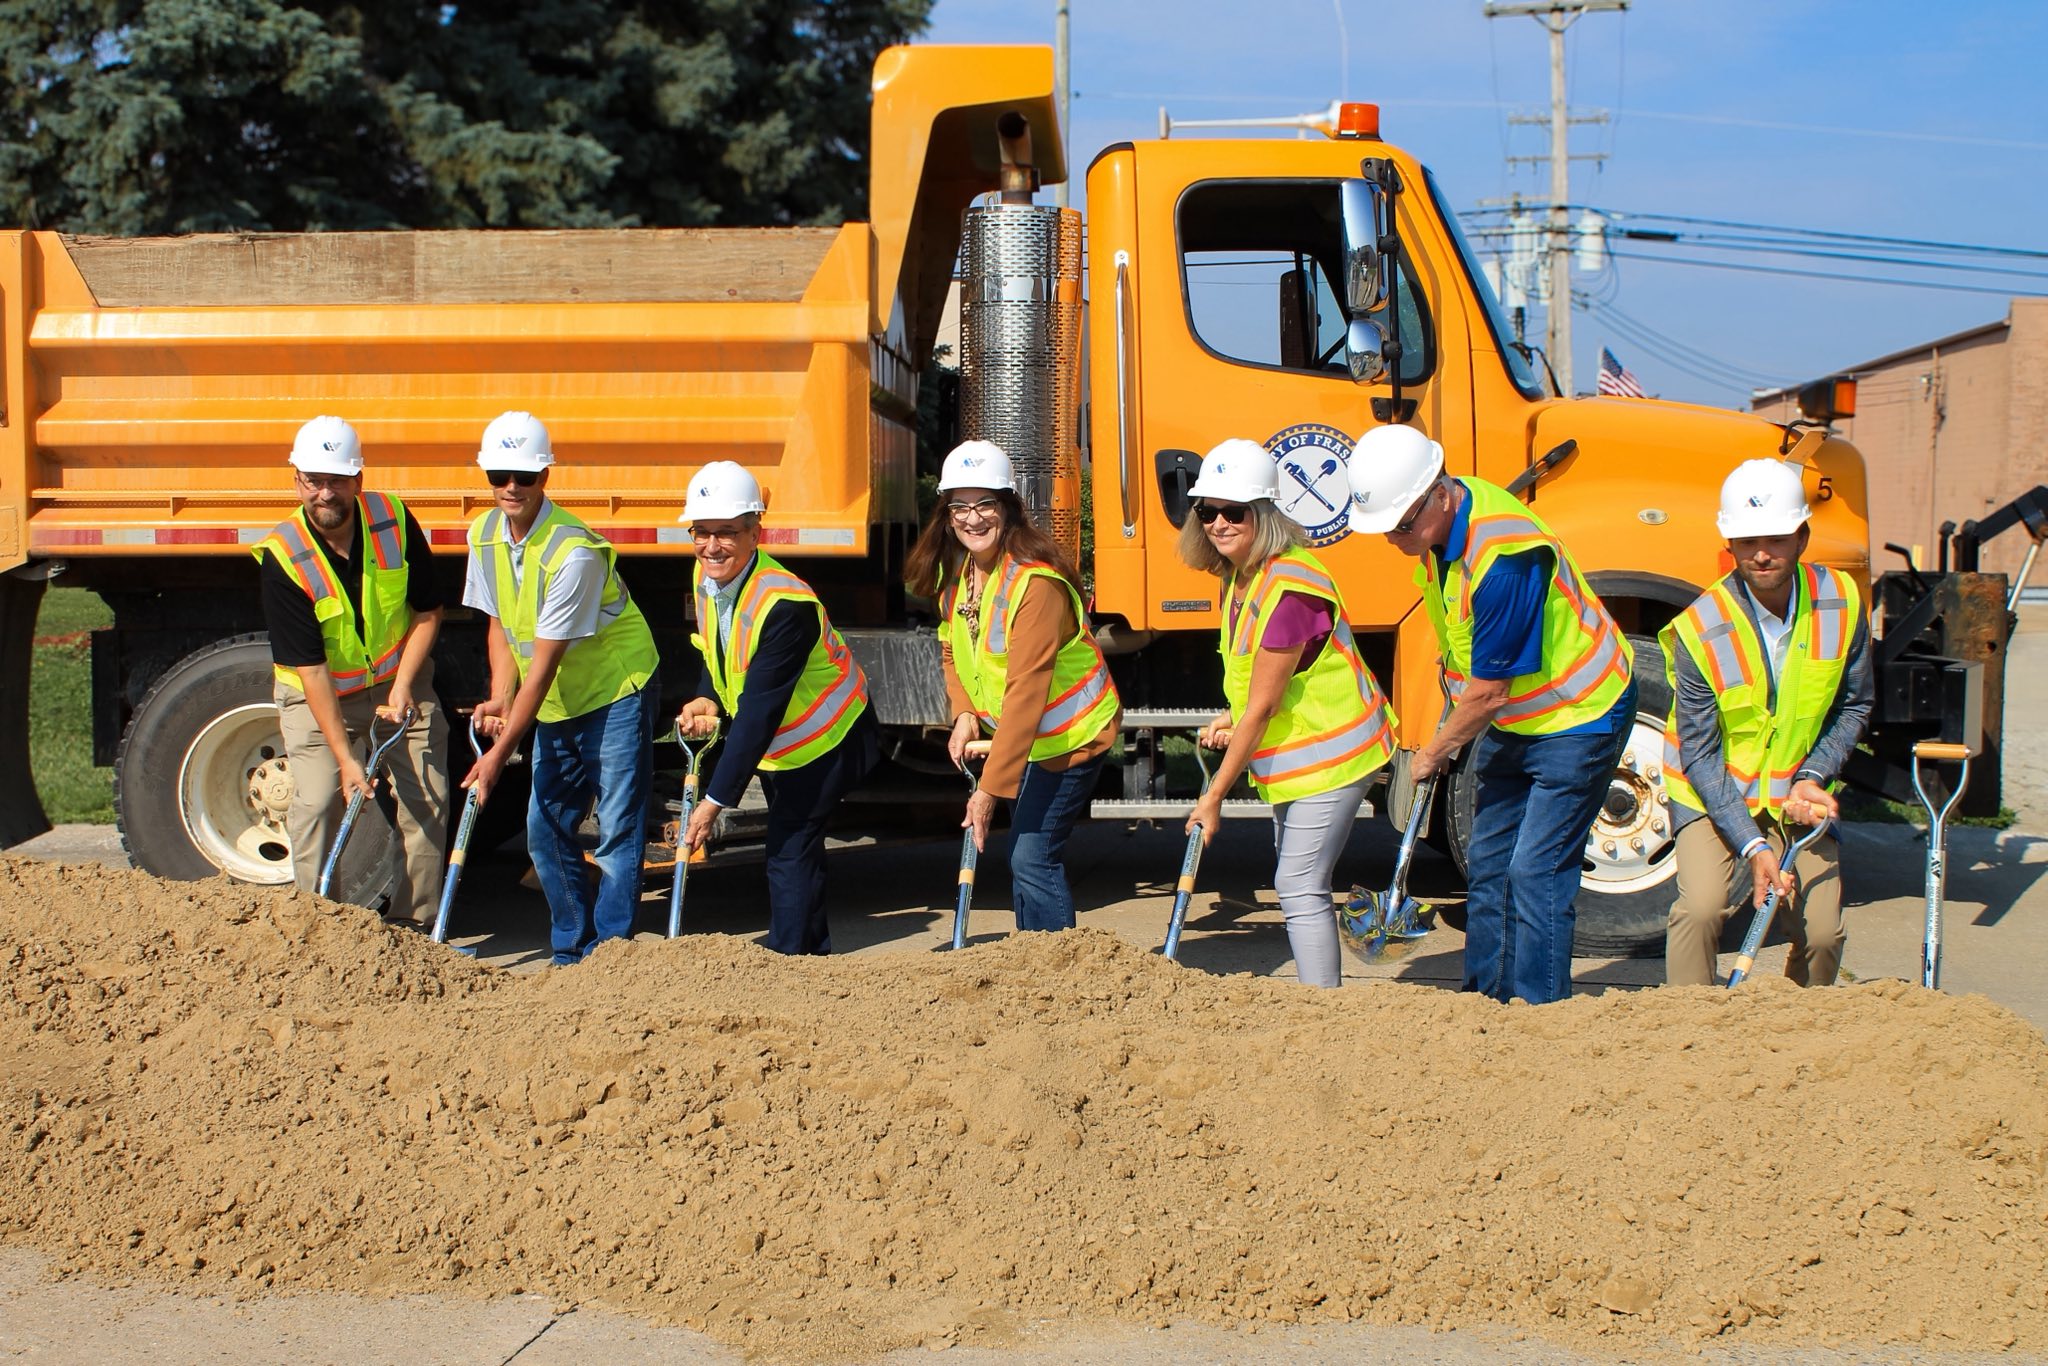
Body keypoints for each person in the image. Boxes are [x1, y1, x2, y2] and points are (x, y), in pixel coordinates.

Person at [1346, 424, 1636, 1005]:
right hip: (1519, 718)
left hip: (1580, 714)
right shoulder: (1445, 528)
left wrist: (1433, 752)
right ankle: (1483, 1006)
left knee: (1536, 872)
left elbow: (1490, 691)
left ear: (1440, 493)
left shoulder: (1504, 559)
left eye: (1402, 525)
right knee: (1489, 863)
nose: (1394, 539)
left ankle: (1537, 1014)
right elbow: (1468, 653)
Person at [1177, 439, 1396, 987]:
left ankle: (1321, 1009)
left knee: (1299, 886)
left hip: (1334, 754)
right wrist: (1232, 716)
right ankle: (1318, 1004)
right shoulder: (1242, 576)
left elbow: (1265, 705)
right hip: (1301, 754)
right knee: (1299, 880)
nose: (1219, 524)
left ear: (1265, 513)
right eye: (1207, 511)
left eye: (1234, 512)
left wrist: (1213, 796)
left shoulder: (1291, 587)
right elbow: (1257, 686)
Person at [458, 411, 662, 965]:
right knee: (544, 830)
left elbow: (545, 661)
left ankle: (610, 954)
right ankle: (571, 950)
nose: (511, 487)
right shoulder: (483, 535)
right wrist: (501, 694)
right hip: (556, 699)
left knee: (616, 830)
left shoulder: (574, 553)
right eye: (498, 476)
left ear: (545, 476)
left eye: (524, 476)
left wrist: (499, 755)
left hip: (615, 689)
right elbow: (501, 623)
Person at [1661, 459, 1872, 987]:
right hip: (1712, 790)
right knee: (1702, 909)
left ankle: (1797, 1019)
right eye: (1747, 540)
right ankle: (1686, 1023)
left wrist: (1813, 776)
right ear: (1728, 544)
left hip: (1796, 790)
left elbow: (1853, 705)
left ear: (1802, 537)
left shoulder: (1842, 602)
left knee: (1823, 933)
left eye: (1776, 538)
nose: (1761, 553)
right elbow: (1700, 754)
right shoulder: (1700, 627)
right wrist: (1754, 848)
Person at [904, 440, 1121, 932]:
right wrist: (964, 712)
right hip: (1026, 740)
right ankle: (1032, 957)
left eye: (985, 504)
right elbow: (951, 649)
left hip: (1071, 737)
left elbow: (1027, 691)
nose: (972, 518)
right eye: (959, 506)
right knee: (1024, 857)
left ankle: (1059, 963)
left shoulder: (1035, 585)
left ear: (1008, 508)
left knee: (1031, 857)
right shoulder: (959, 577)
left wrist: (987, 792)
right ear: (946, 516)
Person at [675, 461, 878, 955]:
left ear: (755, 533)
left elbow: (759, 712)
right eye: (702, 532)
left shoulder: (785, 604)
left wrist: (713, 802)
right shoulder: (709, 578)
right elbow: (717, 649)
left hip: (830, 736)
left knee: (788, 848)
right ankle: (809, 952)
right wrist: (705, 694)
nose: (711, 546)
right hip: (787, 743)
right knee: (795, 848)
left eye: (726, 533)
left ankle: (788, 959)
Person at [254, 416, 449, 923]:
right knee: (319, 802)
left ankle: (414, 925)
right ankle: (321, 927)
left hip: (395, 681)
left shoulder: (392, 519)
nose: (325, 493)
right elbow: (312, 670)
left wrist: (403, 686)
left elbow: (428, 611)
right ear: (297, 480)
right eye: (314, 480)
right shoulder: (284, 556)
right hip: (318, 696)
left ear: (358, 480)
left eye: (337, 480)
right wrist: (346, 759)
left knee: (427, 798)